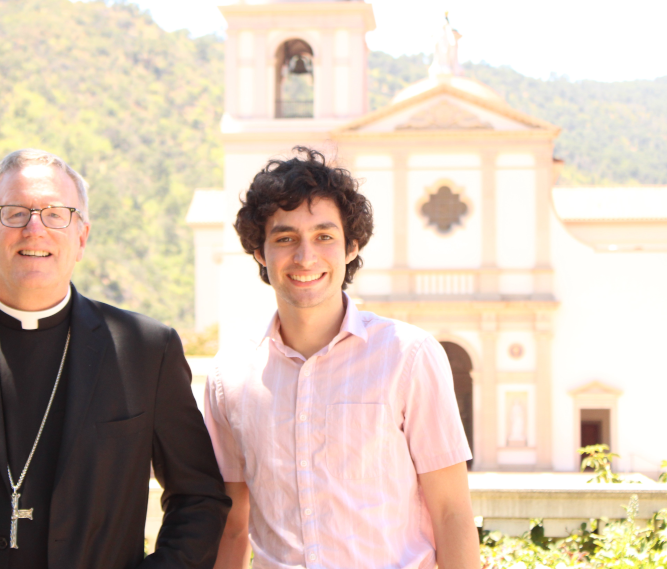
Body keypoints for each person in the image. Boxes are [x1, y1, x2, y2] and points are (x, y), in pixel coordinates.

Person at [0, 149, 230, 568]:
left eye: (56, 214)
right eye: (14, 213)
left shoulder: (145, 351)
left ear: (82, 238)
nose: (35, 229)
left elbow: (199, 497)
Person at [204, 147, 479, 569]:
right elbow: (232, 526)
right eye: (285, 238)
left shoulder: (409, 356)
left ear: (351, 247)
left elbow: (452, 513)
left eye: (324, 236)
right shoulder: (229, 376)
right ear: (260, 253)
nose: (305, 257)